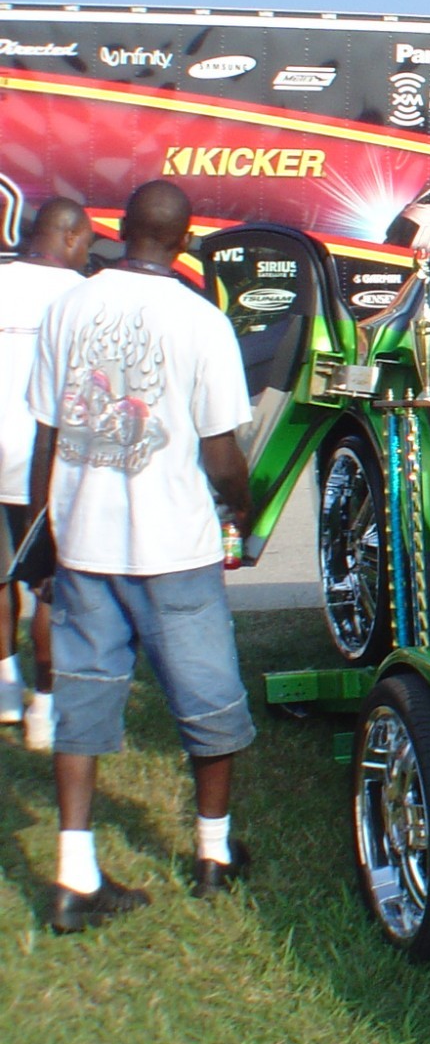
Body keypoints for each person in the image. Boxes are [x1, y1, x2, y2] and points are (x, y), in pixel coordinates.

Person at [27, 180, 255, 932]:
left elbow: (48, 435)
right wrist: (242, 504)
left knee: (83, 705)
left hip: (86, 545)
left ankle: (73, 874)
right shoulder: (202, 320)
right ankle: (213, 856)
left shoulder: (69, 305)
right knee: (209, 698)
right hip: (173, 548)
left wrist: (41, 534)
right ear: (186, 241)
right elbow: (222, 453)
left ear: (120, 231)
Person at [0, 199, 95, 748]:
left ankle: (7, 689)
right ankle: (45, 709)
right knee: (47, 588)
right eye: (85, 244)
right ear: (69, 238)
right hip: (44, 461)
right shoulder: (77, 297)